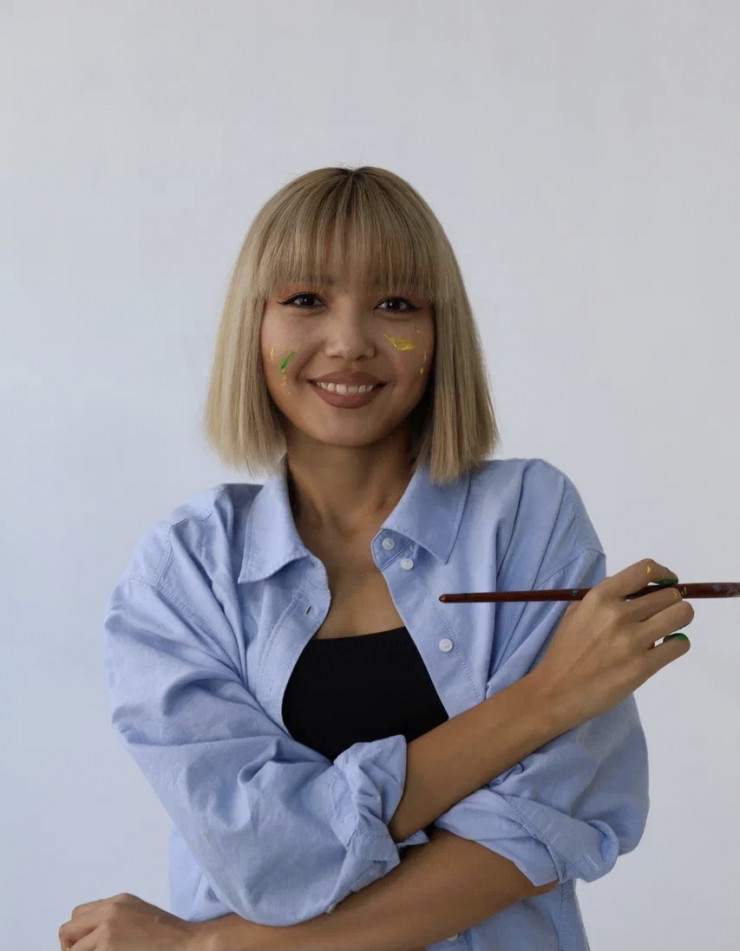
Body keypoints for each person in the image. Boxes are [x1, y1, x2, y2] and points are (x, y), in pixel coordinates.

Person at [64, 166, 694, 951]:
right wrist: (545, 701)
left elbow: (542, 828)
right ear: (253, 325)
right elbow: (269, 858)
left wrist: (212, 946)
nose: (350, 342)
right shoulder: (187, 570)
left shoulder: (527, 517)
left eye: (396, 304)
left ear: (440, 332)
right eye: (306, 299)